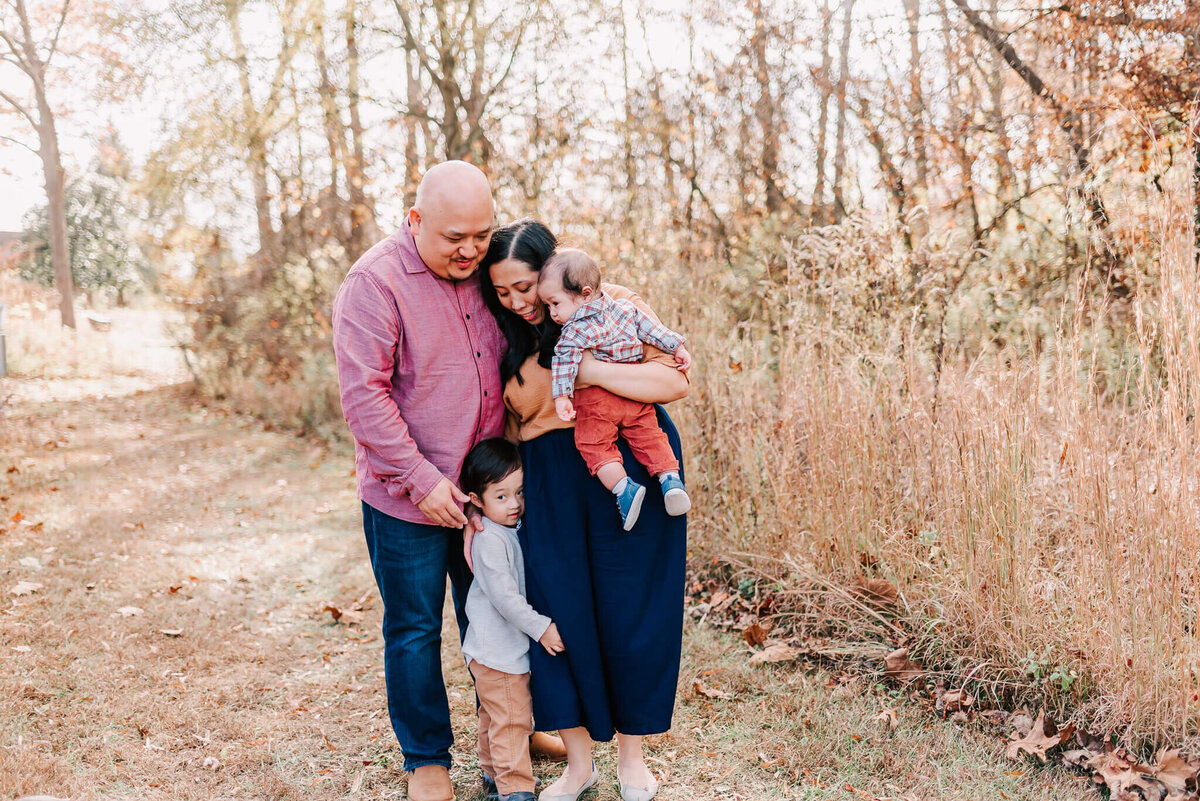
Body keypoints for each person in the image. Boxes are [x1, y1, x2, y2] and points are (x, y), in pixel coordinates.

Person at [332, 162, 564, 801]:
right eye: (453, 237)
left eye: (480, 236)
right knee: (413, 628)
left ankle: (515, 729)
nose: (469, 250)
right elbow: (363, 396)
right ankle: (427, 759)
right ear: (414, 222)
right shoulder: (373, 284)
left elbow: (561, 302)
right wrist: (420, 479)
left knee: (496, 613)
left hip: (490, 495)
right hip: (407, 497)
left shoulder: (489, 276)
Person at [477, 219, 689, 801]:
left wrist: (585, 368)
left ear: (550, 272)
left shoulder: (609, 302)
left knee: (631, 608)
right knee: (560, 612)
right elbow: (509, 429)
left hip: (627, 463)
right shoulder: (505, 339)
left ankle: (631, 759)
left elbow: (672, 383)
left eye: (527, 286)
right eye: (503, 292)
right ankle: (578, 763)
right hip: (548, 481)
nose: (519, 302)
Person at [538, 248, 692, 531]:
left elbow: (563, 364)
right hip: (634, 396)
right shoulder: (626, 309)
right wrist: (678, 347)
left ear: (585, 294)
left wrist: (562, 397)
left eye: (555, 303)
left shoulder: (573, 331)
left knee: (593, 445)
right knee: (650, 435)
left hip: (598, 403)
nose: (552, 313)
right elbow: (654, 331)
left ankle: (623, 488)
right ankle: (670, 480)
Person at [460, 438, 566, 801]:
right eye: (501, 496)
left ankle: (492, 773)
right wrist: (542, 628)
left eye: (519, 492)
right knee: (512, 720)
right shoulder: (489, 539)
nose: (515, 503)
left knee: (494, 716)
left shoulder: (507, 529)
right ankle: (515, 788)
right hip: (498, 652)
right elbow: (506, 599)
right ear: (476, 500)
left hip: (490, 650)